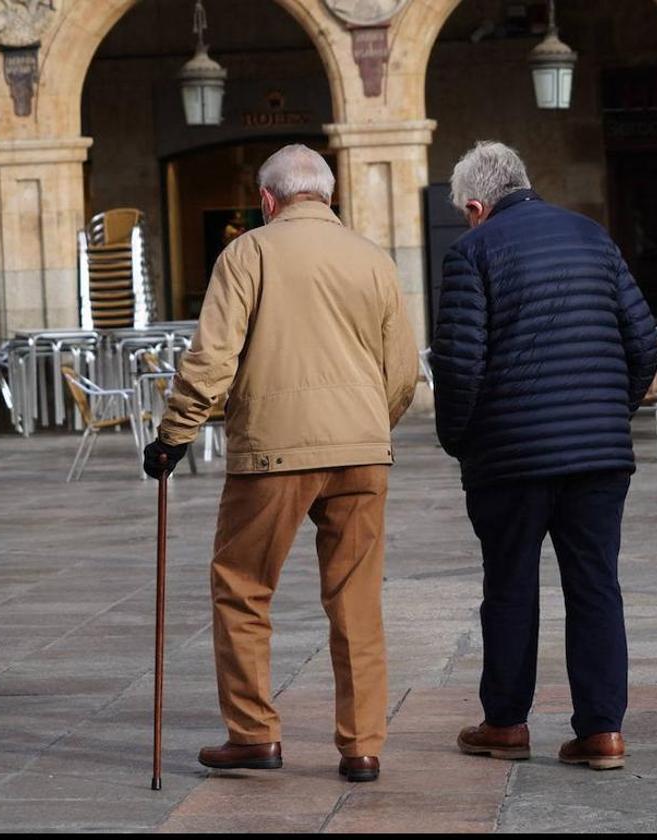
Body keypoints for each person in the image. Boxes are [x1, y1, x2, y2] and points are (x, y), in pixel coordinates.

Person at [143, 144, 418, 783]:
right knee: (357, 600)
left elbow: (212, 358)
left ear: (267, 199)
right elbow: (403, 371)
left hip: (272, 452)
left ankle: (254, 733)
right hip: (362, 452)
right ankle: (362, 746)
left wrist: (174, 434)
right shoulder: (372, 259)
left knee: (242, 587)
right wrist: (370, 426)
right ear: (328, 195)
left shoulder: (249, 252)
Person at [430, 141, 657, 771]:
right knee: (595, 587)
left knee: (508, 588)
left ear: (477, 205)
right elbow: (644, 343)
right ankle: (602, 733)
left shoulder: (472, 252)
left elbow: (458, 366)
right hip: (599, 458)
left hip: (510, 461)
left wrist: (460, 439)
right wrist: (611, 416)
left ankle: (505, 724)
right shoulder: (591, 236)